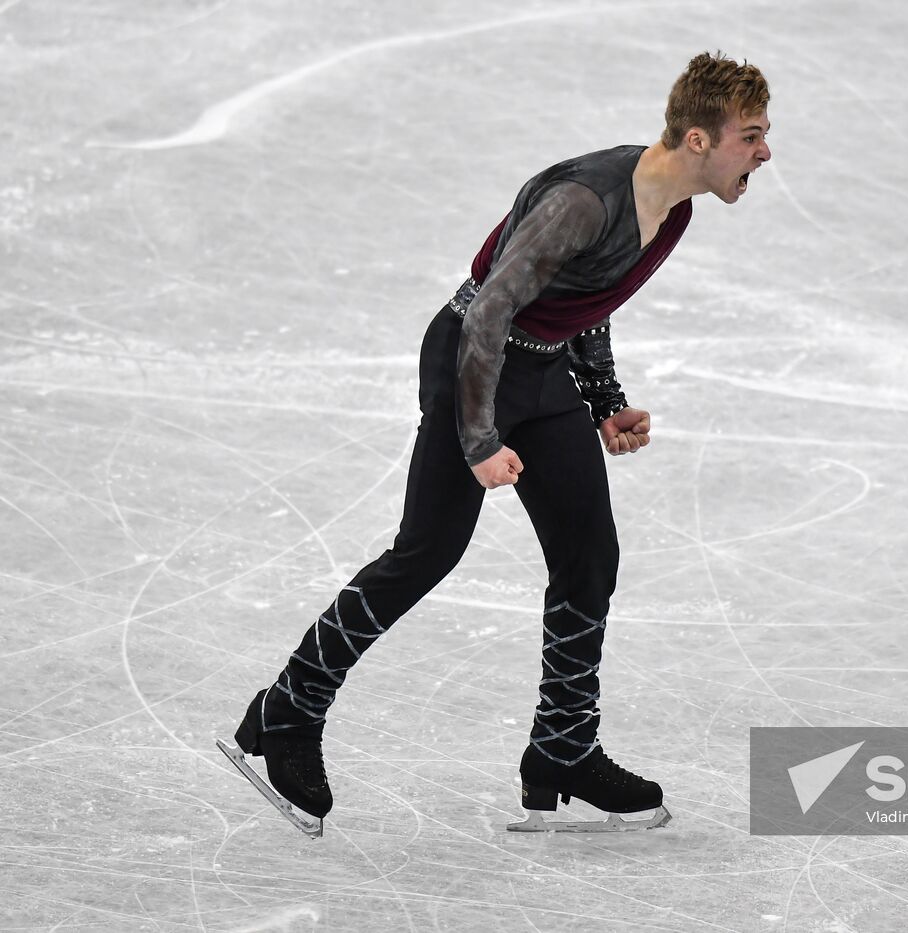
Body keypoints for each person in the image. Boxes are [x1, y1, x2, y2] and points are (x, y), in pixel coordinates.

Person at [221, 50, 773, 834]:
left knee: (589, 555)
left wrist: (606, 400)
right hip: (471, 363)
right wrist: (478, 439)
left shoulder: (673, 210)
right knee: (428, 550)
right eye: (750, 135)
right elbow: (487, 315)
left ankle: (562, 749)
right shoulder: (585, 200)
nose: (764, 152)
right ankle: (286, 709)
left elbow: (579, 300)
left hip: (541, 377)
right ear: (696, 139)